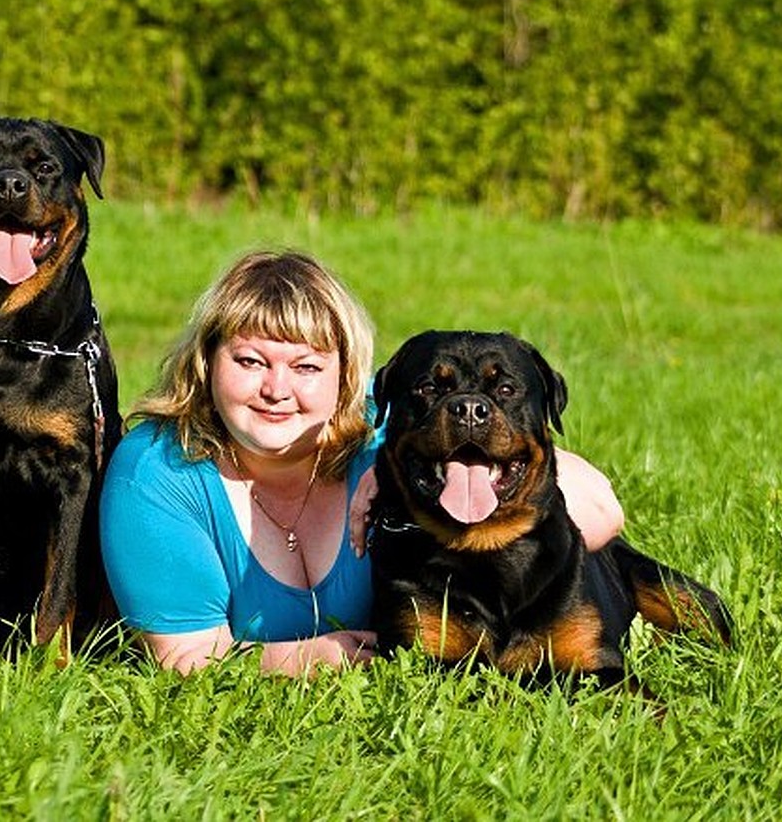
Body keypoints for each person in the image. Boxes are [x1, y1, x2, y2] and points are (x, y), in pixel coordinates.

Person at [99, 250, 624, 676]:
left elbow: (603, 510)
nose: (276, 389)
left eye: (305, 366)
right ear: (207, 362)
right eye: (250, 361)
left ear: (346, 376)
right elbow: (184, 657)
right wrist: (299, 658)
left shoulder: (395, 438)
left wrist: (389, 476)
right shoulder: (157, 472)